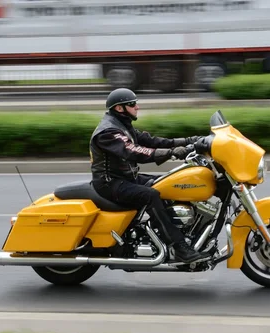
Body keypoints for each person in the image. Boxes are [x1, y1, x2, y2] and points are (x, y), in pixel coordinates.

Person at [89, 88, 209, 264]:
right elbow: (134, 151)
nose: (137, 107)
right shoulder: (108, 132)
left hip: (126, 178)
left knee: (167, 183)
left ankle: (164, 232)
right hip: (110, 184)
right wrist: (172, 153)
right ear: (120, 108)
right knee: (151, 195)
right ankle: (179, 247)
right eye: (132, 104)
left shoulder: (121, 125)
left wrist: (190, 141)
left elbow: (152, 141)